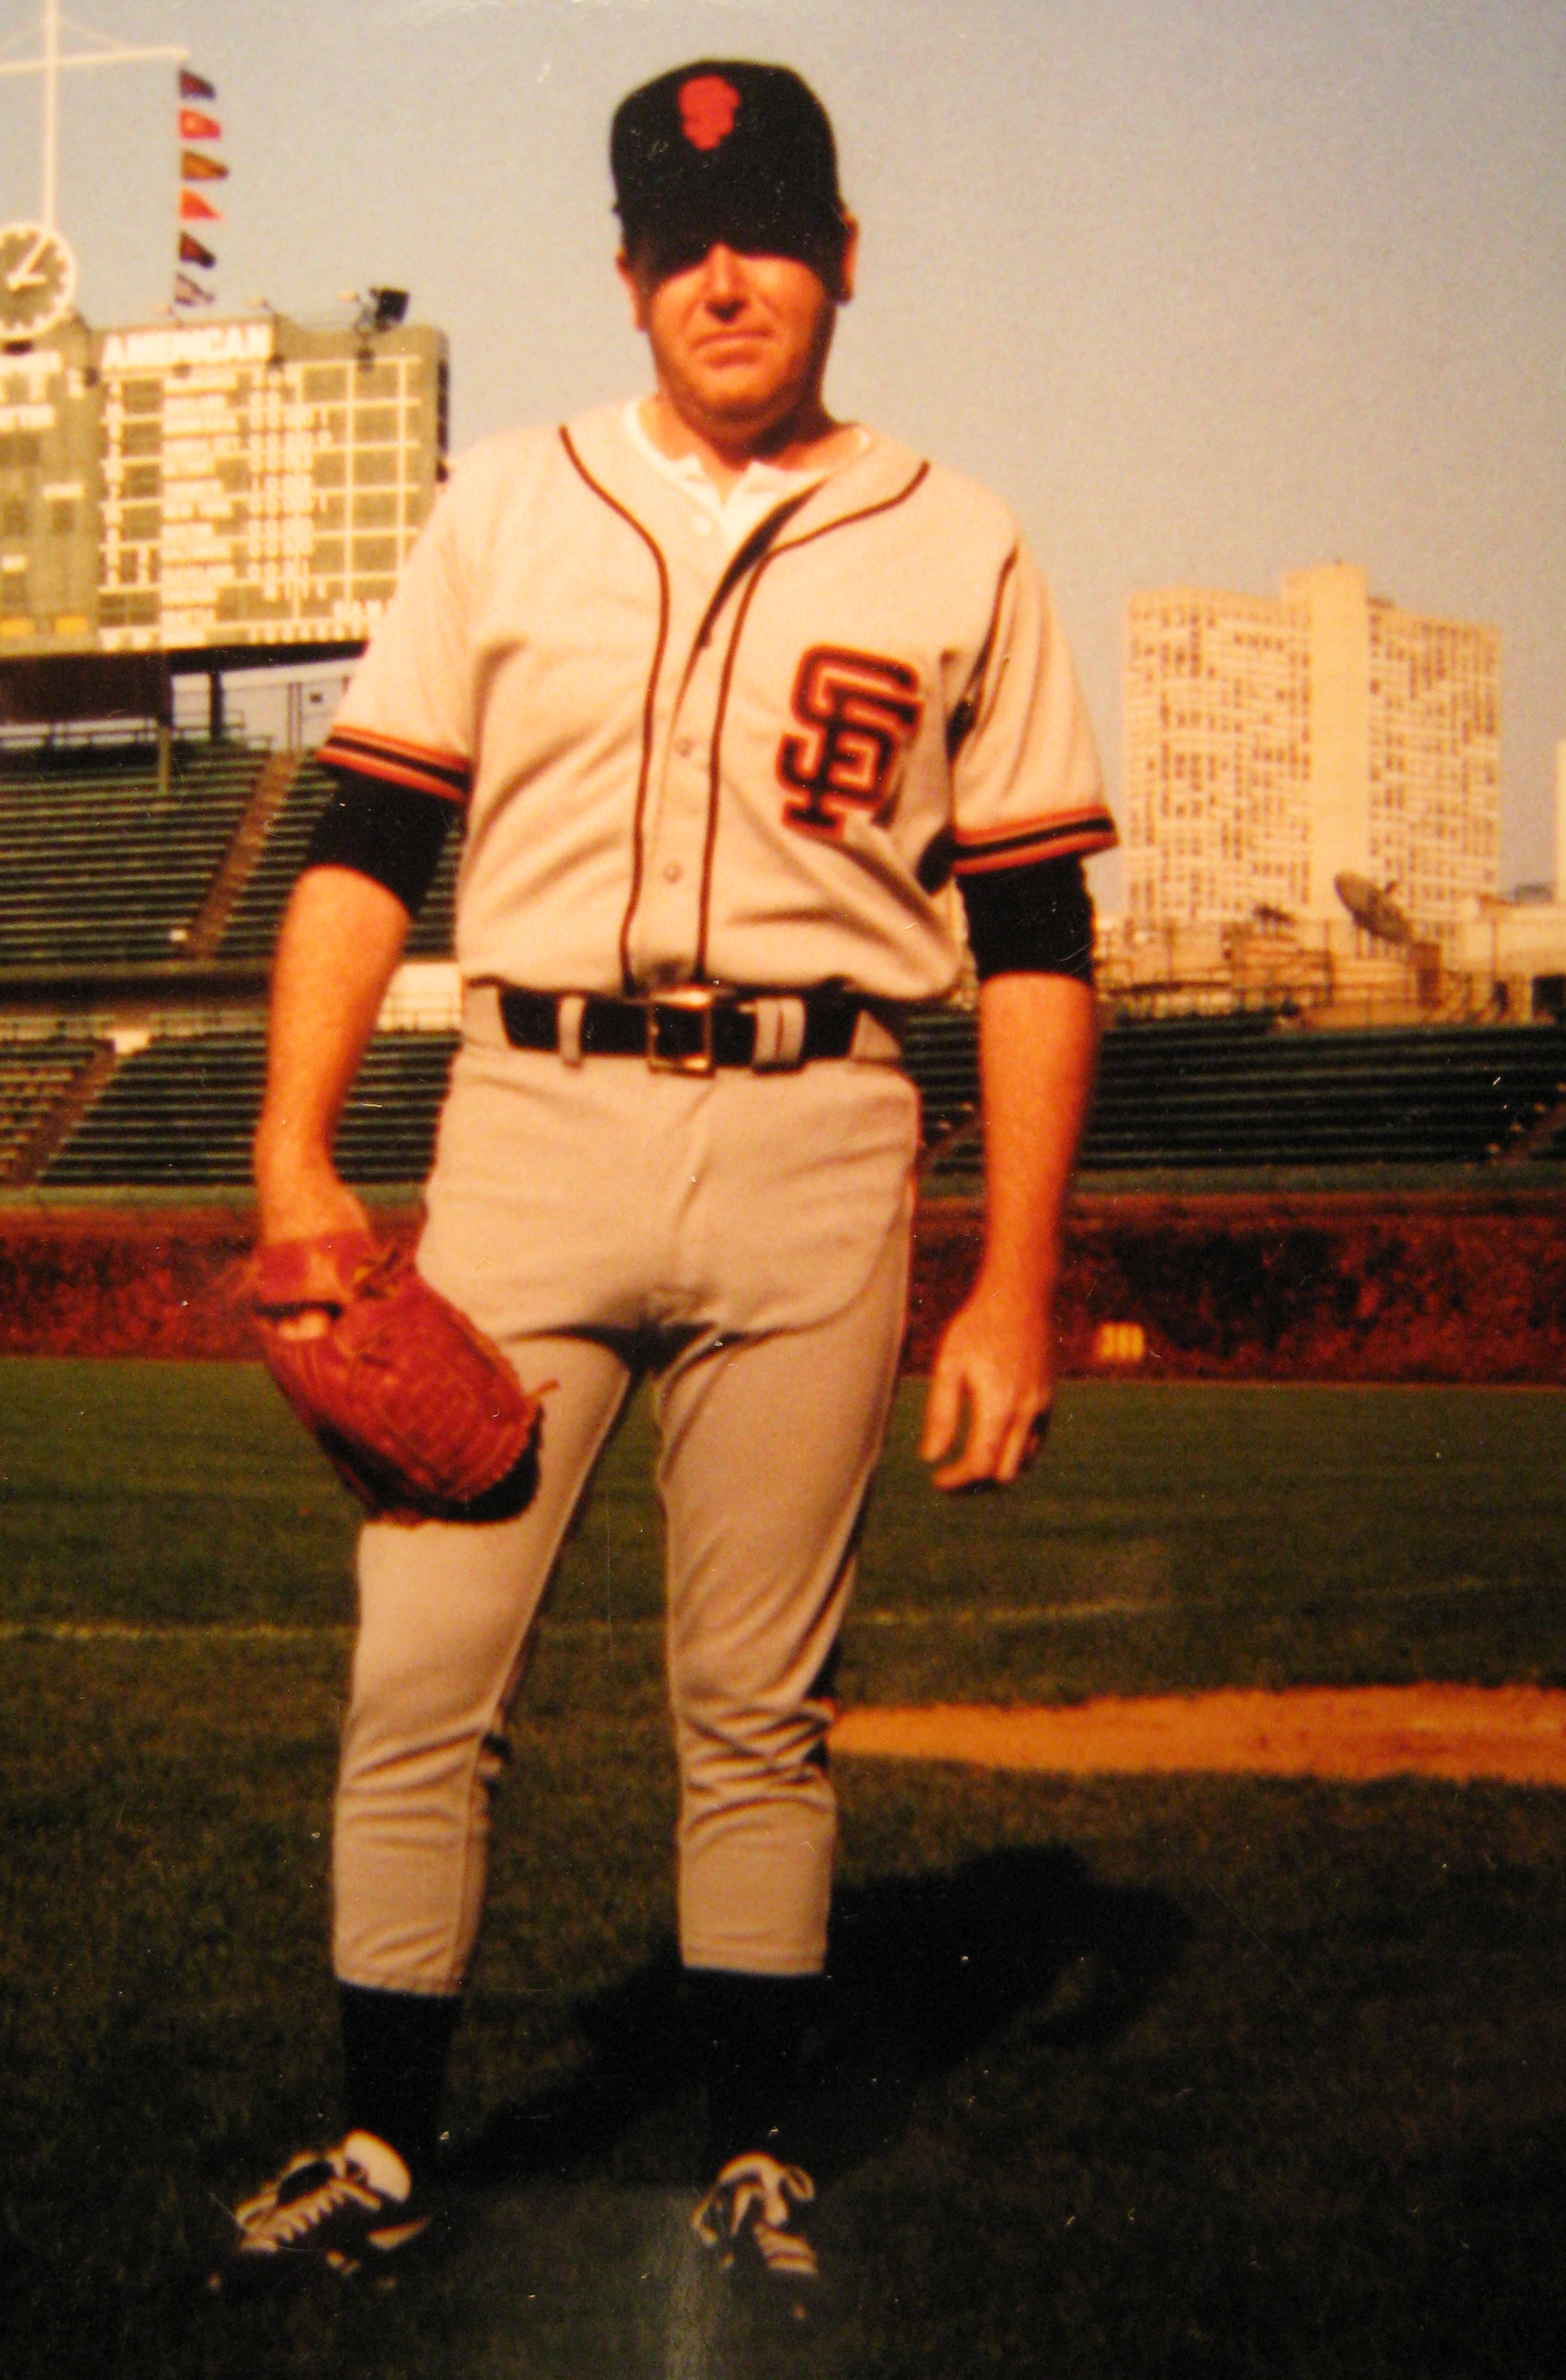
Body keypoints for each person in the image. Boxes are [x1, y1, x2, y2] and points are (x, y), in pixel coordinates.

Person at [220, 57, 1115, 2309]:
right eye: (684, 235)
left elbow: (1033, 939)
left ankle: (749, 2156)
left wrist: (1014, 1280)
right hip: (529, 1124)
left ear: (842, 255)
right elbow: (367, 848)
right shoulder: (507, 505)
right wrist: (293, 1145)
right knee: (424, 1666)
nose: (730, 273)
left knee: (758, 1702)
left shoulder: (959, 533)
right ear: (626, 271)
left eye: (774, 227)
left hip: (824, 1138)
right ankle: (377, 2144)